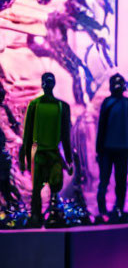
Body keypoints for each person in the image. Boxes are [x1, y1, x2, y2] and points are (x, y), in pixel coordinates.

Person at [19, 72, 72, 228]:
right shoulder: (34, 105)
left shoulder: (62, 106)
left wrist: (68, 159)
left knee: (55, 184)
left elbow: (65, 135)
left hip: (53, 154)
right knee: (36, 189)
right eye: (45, 81)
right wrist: (24, 157)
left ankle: (53, 213)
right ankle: (36, 215)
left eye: (50, 81)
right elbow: (27, 134)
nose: (47, 84)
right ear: (42, 83)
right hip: (39, 154)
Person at [95, 73, 128, 220]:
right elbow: (101, 128)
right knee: (105, 180)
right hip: (110, 148)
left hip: (121, 148)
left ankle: (118, 208)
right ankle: (104, 209)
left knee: (119, 181)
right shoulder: (108, 102)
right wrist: (99, 150)